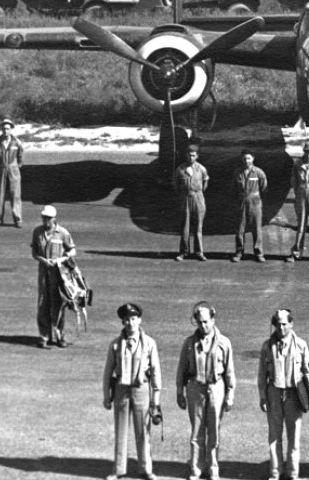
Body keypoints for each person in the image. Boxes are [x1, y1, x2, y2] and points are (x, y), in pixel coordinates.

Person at [176, 302, 235, 480]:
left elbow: (229, 371)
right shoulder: (189, 343)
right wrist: (180, 392)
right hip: (195, 388)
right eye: (199, 322)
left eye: (206, 321)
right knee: (197, 430)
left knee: (214, 430)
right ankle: (196, 467)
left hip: (216, 387)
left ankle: (213, 466)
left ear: (213, 319)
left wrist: (230, 394)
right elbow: (181, 369)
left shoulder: (224, 343)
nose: (203, 326)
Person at [103, 302, 162, 480]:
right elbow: (108, 372)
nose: (130, 323)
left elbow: (156, 371)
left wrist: (156, 399)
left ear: (140, 320)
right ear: (123, 322)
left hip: (141, 389)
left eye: (134, 319)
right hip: (121, 389)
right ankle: (118, 470)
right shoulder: (115, 345)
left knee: (143, 431)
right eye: (127, 320)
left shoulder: (150, 343)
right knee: (121, 431)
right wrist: (107, 395)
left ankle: (146, 468)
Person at [258, 309, 309, 480]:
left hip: (294, 394)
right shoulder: (267, 346)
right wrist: (262, 396)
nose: (281, 328)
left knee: (294, 437)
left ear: (291, 324)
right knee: (274, 436)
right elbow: (262, 373)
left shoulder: (301, 345)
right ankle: (275, 473)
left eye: (284, 324)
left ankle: (292, 473)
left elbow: (308, 371)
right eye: (278, 324)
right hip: (274, 393)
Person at [31, 204, 76, 349]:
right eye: (44, 217)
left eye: (48, 218)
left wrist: (62, 259)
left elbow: (72, 250)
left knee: (58, 304)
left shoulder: (62, 233)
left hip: (59, 274)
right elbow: (35, 252)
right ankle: (44, 336)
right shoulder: (37, 232)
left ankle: (59, 336)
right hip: (44, 273)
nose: (45, 221)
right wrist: (43, 260)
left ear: (54, 219)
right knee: (43, 304)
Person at [173, 145, 209, 261]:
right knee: (185, 227)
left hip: (198, 197)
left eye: (193, 155)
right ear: (186, 155)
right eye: (189, 155)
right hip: (185, 197)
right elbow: (175, 184)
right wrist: (184, 194)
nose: (191, 157)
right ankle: (183, 252)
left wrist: (197, 193)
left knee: (198, 226)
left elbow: (205, 184)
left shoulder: (202, 169)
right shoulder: (180, 169)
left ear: (197, 156)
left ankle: (199, 252)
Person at [233, 149, 268, 263]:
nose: (246, 161)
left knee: (256, 228)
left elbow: (264, 187)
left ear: (253, 159)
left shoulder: (259, 172)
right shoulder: (237, 172)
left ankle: (259, 253)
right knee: (240, 229)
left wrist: (256, 197)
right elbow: (233, 187)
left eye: (248, 158)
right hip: (242, 200)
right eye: (244, 158)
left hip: (255, 201)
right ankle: (239, 252)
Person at [0, 118, 24, 228]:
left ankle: (17, 219)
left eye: (8, 129)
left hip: (13, 170)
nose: (5, 131)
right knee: (0, 195)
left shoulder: (17, 142)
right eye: (4, 129)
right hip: (1, 170)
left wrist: (15, 167)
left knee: (15, 195)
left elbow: (20, 157)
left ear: (11, 129)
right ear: (1, 129)